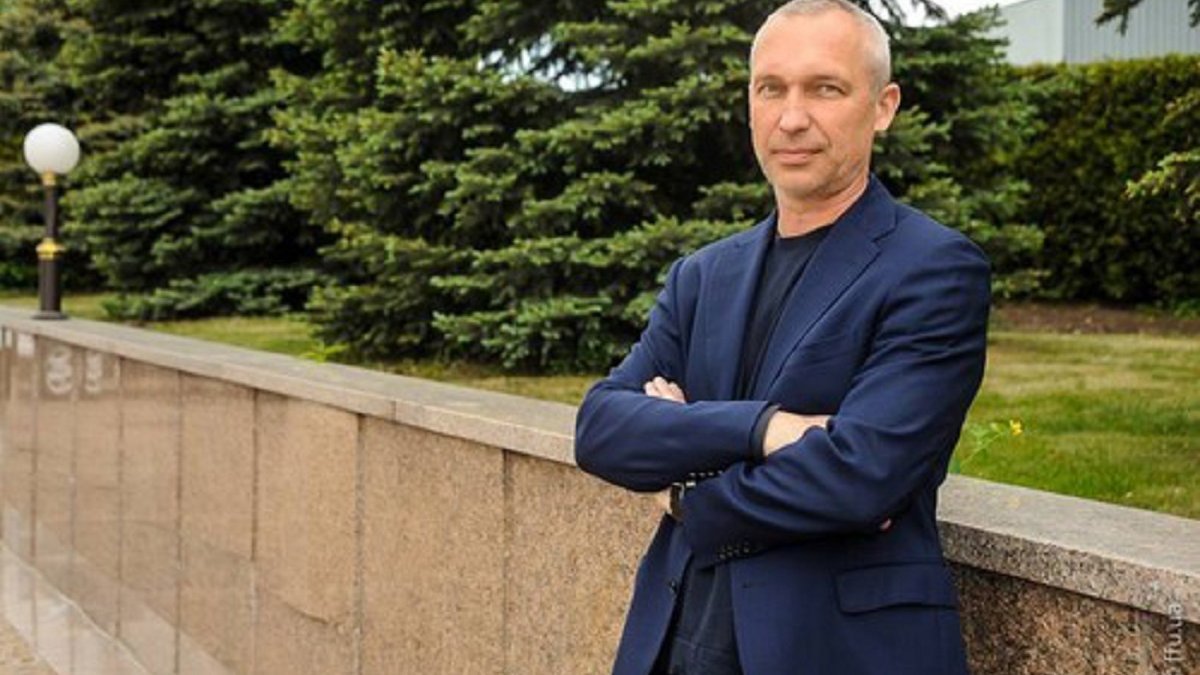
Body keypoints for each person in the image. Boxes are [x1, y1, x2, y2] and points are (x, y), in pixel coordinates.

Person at [573, 1, 989, 673]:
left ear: (882, 107)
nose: (792, 118)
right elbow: (601, 428)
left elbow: (861, 476)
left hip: (831, 650)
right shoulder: (703, 275)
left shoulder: (933, 269)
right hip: (674, 639)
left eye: (825, 88)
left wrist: (684, 490)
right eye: (771, 88)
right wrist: (766, 429)